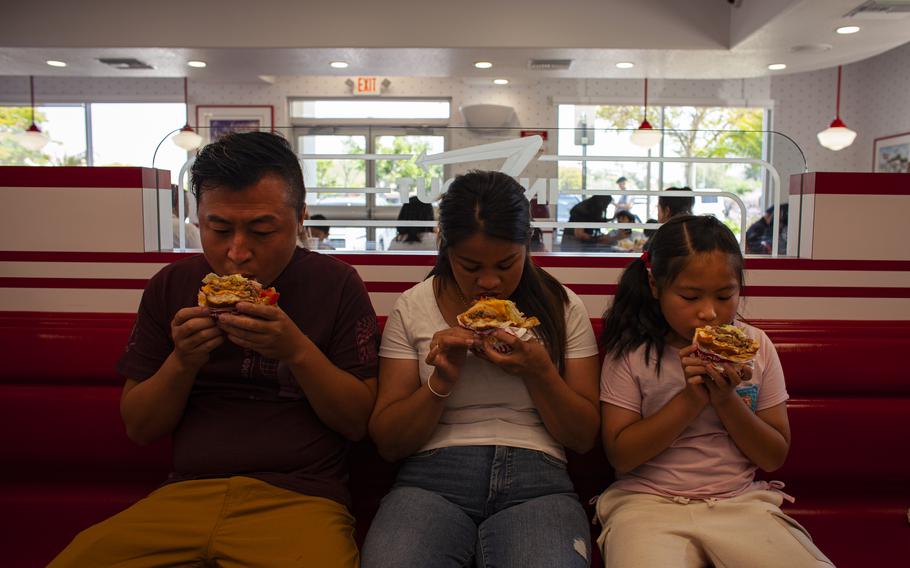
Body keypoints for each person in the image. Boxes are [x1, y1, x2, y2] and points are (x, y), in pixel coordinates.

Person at [50, 131, 380, 568]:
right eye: (218, 229)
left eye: (262, 230)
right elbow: (140, 427)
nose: (236, 253)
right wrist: (183, 361)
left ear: (301, 218)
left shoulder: (337, 284)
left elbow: (358, 422)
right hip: (185, 494)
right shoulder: (170, 287)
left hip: (300, 497)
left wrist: (296, 350)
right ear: (198, 219)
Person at [361, 170, 601, 567]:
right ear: (445, 247)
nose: (489, 282)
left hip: (537, 480)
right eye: (469, 265)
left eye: (507, 264)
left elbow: (582, 437)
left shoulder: (563, 307)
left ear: (527, 245)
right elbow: (388, 442)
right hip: (431, 478)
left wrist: (539, 370)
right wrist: (442, 380)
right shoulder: (414, 306)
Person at [595, 215, 833, 567]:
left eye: (725, 296)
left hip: (739, 502)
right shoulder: (633, 352)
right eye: (689, 296)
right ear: (655, 284)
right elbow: (621, 456)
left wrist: (724, 398)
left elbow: (772, 456)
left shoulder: (756, 346)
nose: (709, 313)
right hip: (645, 503)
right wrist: (691, 399)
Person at [171, 184, 201, 249]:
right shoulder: (187, 229)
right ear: (179, 203)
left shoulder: (153, 226)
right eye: (187, 204)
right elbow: (201, 255)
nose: (188, 208)